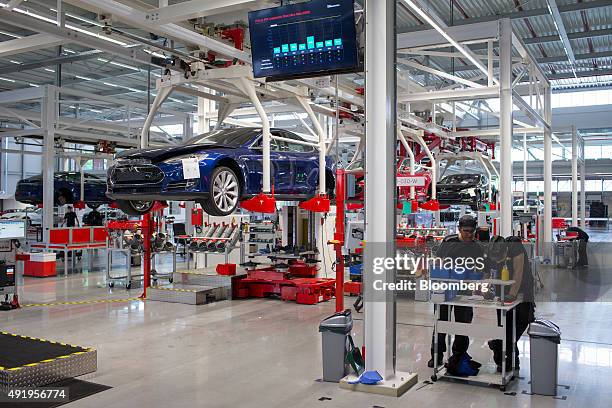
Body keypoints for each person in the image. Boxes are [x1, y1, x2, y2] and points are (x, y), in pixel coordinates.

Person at [428, 215, 485, 368]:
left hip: (465, 290)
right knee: (441, 323)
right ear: (459, 229)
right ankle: (436, 355)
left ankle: (458, 355)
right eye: (466, 231)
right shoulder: (449, 241)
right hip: (446, 290)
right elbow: (438, 260)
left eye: (472, 232)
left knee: (463, 324)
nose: (469, 234)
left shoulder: (477, 246)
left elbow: (479, 267)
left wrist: (478, 287)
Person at [487, 236, 536, 372]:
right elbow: (489, 272)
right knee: (505, 326)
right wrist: (487, 289)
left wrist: (512, 295)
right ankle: (510, 362)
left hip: (522, 291)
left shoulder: (515, 246)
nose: (497, 261)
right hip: (502, 292)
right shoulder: (491, 250)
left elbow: (518, 272)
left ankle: (497, 344)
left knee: (523, 320)